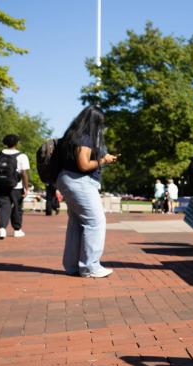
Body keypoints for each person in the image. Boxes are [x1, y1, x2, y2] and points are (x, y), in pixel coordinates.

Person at [55, 105, 118, 277]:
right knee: (95, 222)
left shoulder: (71, 136)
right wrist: (104, 159)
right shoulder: (86, 137)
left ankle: (72, 266)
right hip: (80, 182)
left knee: (76, 224)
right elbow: (83, 165)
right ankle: (90, 266)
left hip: (68, 179)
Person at [0, 134, 30, 239]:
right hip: (16, 187)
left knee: (3, 207)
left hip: (1, 186)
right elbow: (24, 174)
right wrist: (26, 187)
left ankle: (2, 229)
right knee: (17, 208)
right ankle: (17, 230)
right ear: (16, 143)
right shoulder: (22, 156)